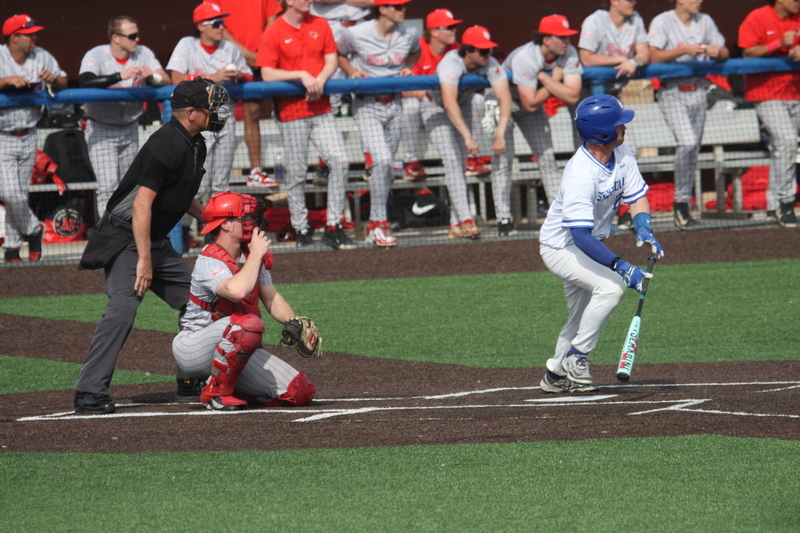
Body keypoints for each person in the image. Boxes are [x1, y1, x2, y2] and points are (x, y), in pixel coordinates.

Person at [74, 79, 230, 414]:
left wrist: (216, 223)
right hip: (125, 238)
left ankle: (190, 376)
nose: (217, 112)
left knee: (201, 302)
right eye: (211, 106)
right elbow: (142, 205)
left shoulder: (196, 143)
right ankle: (88, 392)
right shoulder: (165, 144)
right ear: (192, 113)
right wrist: (144, 260)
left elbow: (182, 196)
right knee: (122, 310)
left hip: (151, 240)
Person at [538, 94, 664, 393]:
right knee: (611, 287)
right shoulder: (580, 175)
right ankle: (577, 357)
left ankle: (555, 375)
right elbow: (580, 237)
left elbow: (636, 196)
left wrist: (643, 226)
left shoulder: (622, 153)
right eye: (619, 125)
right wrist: (622, 267)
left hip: (586, 243)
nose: (625, 128)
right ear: (602, 134)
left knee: (581, 317)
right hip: (561, 247)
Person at [172, 192, 316, 410]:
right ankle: (215, 394)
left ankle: (233, 387)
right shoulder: (209, 260)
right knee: (247, 325)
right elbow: (237, 291)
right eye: (245, 217)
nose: (251, 222)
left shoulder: (250, 256)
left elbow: (271, 297)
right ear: (227, 225)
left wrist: (293, 321)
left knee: (300, 391)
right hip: (194, 348)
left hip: (232, 348)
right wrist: (257, 255)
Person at [257, 0, 356, 250]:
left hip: (321, 107)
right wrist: (302, 75)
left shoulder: (320, 24)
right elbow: (267, 73)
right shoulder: (274, 30)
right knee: (297, 172)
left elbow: (331, 59)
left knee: (340, 161)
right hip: (292, 112)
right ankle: (300, 226)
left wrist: (320, 79)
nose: (308, 0)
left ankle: (334, 225)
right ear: (288, 1)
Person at [337, 0, 420, 247]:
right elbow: (339, 54)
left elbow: (416, 51)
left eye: (404, 6)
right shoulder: (356, 32)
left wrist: (409, 67)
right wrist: (351, 70)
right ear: (383, 9)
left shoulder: (410, 33)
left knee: (386, 167)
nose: (403, 10)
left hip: (395, 103)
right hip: (367, 103)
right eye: (398, 6)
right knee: (382, 160)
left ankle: (378, 224)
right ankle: (377, 222)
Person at [422, 25, 512, 238]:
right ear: (468, 51)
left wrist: (499, 134)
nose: (487, 55)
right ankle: (466, 219)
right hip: (435, 108)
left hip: (463, 105)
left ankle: (455, 224)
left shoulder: (489, 62)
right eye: (482, 50)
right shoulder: (450, 63)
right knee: (453, 161)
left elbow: (505, 97)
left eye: (488, 50)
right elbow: (448, 102)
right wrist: (468, 136)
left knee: (459, 164)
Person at [648, 0, 729, 230]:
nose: (700, 1)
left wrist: (717, 51)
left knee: (693, 148)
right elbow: (653, 56)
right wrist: (684, 49)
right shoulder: (663, 21)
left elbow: (724, 51)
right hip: (672, 90)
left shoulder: (705, 20)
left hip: (698, 90)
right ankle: (680, 202)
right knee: (688, 142)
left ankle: (682, 202)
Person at [79, 15, 169, 217]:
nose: (137, 39)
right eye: (132, 35)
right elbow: (86, 81)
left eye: (137, 35)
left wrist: (151, 76)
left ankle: (126, 236)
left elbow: (165, 78)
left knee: (129, 188)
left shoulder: (143, 53)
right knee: (108, 189)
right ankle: (108, 239)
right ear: (116, 38)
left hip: (130, 127)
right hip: (101, 128)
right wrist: (119, 76)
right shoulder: (97, 54)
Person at [167, 3, 253, 201]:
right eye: (216, 23)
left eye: (222, 22)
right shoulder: (187, 44)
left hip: (224, 116)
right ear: (201, 26)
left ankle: (214, 231)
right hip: (197, 118)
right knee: (198, 185)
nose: (221, 27)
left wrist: (238, 74)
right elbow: (175, 78)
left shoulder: (229, 48)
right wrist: (214, 76)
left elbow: (250, 78)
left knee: (221, 185)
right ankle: (185, 227)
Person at [496, 14, 583, 212]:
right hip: (503, 102)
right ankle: (504, 217)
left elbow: (572, 96)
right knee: (504, 160)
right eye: (561, 37)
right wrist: (551, 80)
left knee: (547, 157)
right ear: (546, 39)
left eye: (567, 37)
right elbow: (531, 103)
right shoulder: (526, 57)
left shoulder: (568, 52)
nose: (566, 42)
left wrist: (545, 78)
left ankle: (559, 213)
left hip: (529, 104)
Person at [0, 14, 67, 263]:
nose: (34, 38)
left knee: (18, 193)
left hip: (28, 133)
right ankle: (33, 229)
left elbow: (62, 80)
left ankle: (12, 249)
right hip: (2, 135)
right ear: (14, 37)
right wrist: (5, 81)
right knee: (10, 193)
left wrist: (53, 79)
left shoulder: (42, 55)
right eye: (29, 34)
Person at [578, 0, 650, 230]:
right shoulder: (595, 20)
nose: (633, 3)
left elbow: (645, 52)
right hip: (589, 100)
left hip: (614, 99)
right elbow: (586, 58)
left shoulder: (635, 19)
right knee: (588, 159)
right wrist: (622, 60)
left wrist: (635, 60)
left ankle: (616, 214)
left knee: (627, 151)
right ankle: (585, 217)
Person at [739, 0, 800, 228]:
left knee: (783, 148)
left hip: (795, 91)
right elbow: (747, 51)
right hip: (766, 92)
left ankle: (774, 203)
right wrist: (776, 44)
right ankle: (786, 202)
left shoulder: (798, 16)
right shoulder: (758, 17)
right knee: (787, 141)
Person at [218, 0, 284, 187]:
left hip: (261, 57)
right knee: (215, 113)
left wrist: (263, 52)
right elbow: (215, 25)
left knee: (252, 112)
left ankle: (256, 171)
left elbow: (273, 21)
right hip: (225, 54)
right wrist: (247, 54)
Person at [399, 8, 461, 183]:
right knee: (410, 106)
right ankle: (411, 161)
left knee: (477, 101)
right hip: (421, 108)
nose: (453, 31)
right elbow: (403, 88)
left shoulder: (456, 50)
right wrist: (430, 95)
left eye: (453, 27)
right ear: (434, 32)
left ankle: (472, 159)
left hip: (445, 106)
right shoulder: (417, 49)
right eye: (448, 28)